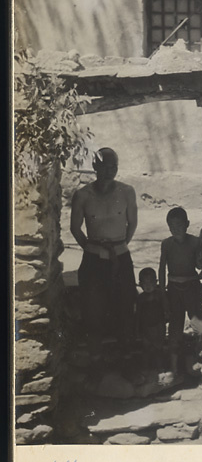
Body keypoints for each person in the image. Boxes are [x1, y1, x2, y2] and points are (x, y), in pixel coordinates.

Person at [70, 147, 138, 357]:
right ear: (95, 167)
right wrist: (92, 249)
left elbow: (132, 223)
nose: (110, 171)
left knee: (126, 305)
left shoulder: (127, 192)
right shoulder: (82, 195)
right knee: (93, 309)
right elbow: (75, 228)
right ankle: (95, 362)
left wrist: (118, 246)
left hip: (120, 255)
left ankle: (126, 358)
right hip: (93, 258)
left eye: (114, 167)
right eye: (105, 166)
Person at [158, 207, 202, 378]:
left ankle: (198, 359)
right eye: (171, 225)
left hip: (191, 288)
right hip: (173, 289)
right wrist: (163, 295)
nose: (175, 228)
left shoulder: (194, 242)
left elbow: (200, 266)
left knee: (200, 328)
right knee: (174, 330)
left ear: (187, 224)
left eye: (179, 224)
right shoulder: (166, 244)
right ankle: (173, 367)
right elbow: (162, 269)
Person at [136, 267, 166, 371]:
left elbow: (164, 311)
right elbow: (138, 314)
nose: (148, 286)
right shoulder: (140, 298)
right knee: (146, 349)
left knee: (159, 349)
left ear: (156, 282)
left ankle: (160, 367)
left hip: (159, 327)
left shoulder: (159, 296)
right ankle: (145, 368)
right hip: (146, 328)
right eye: (145, 283)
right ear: (140, 284)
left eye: (151, 282)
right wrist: (137, 329)